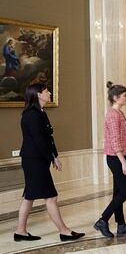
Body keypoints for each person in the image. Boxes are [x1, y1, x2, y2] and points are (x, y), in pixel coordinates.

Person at [14, 83, 85, 242]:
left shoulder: (40, 113)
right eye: (46, 91)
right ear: (39, 94)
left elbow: (48, 138)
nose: (49, 93)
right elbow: (39, 141)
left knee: (29, 196)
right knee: (51, 197)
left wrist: (55, 156)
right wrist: (51, 158)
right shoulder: (31, 115)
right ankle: (64, 232)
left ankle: (20, 231)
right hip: (34, 161)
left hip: (37, 159)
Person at [94, 81, 126, 238]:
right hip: (115, 158)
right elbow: (115, 141)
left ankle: (121, 226)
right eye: (124, 96)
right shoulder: (112, 115)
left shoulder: (120, 113)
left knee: (118, 192)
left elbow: (125, 138)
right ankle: (102, 220)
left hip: (122, 156)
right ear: (115, 97)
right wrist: (123, 162)